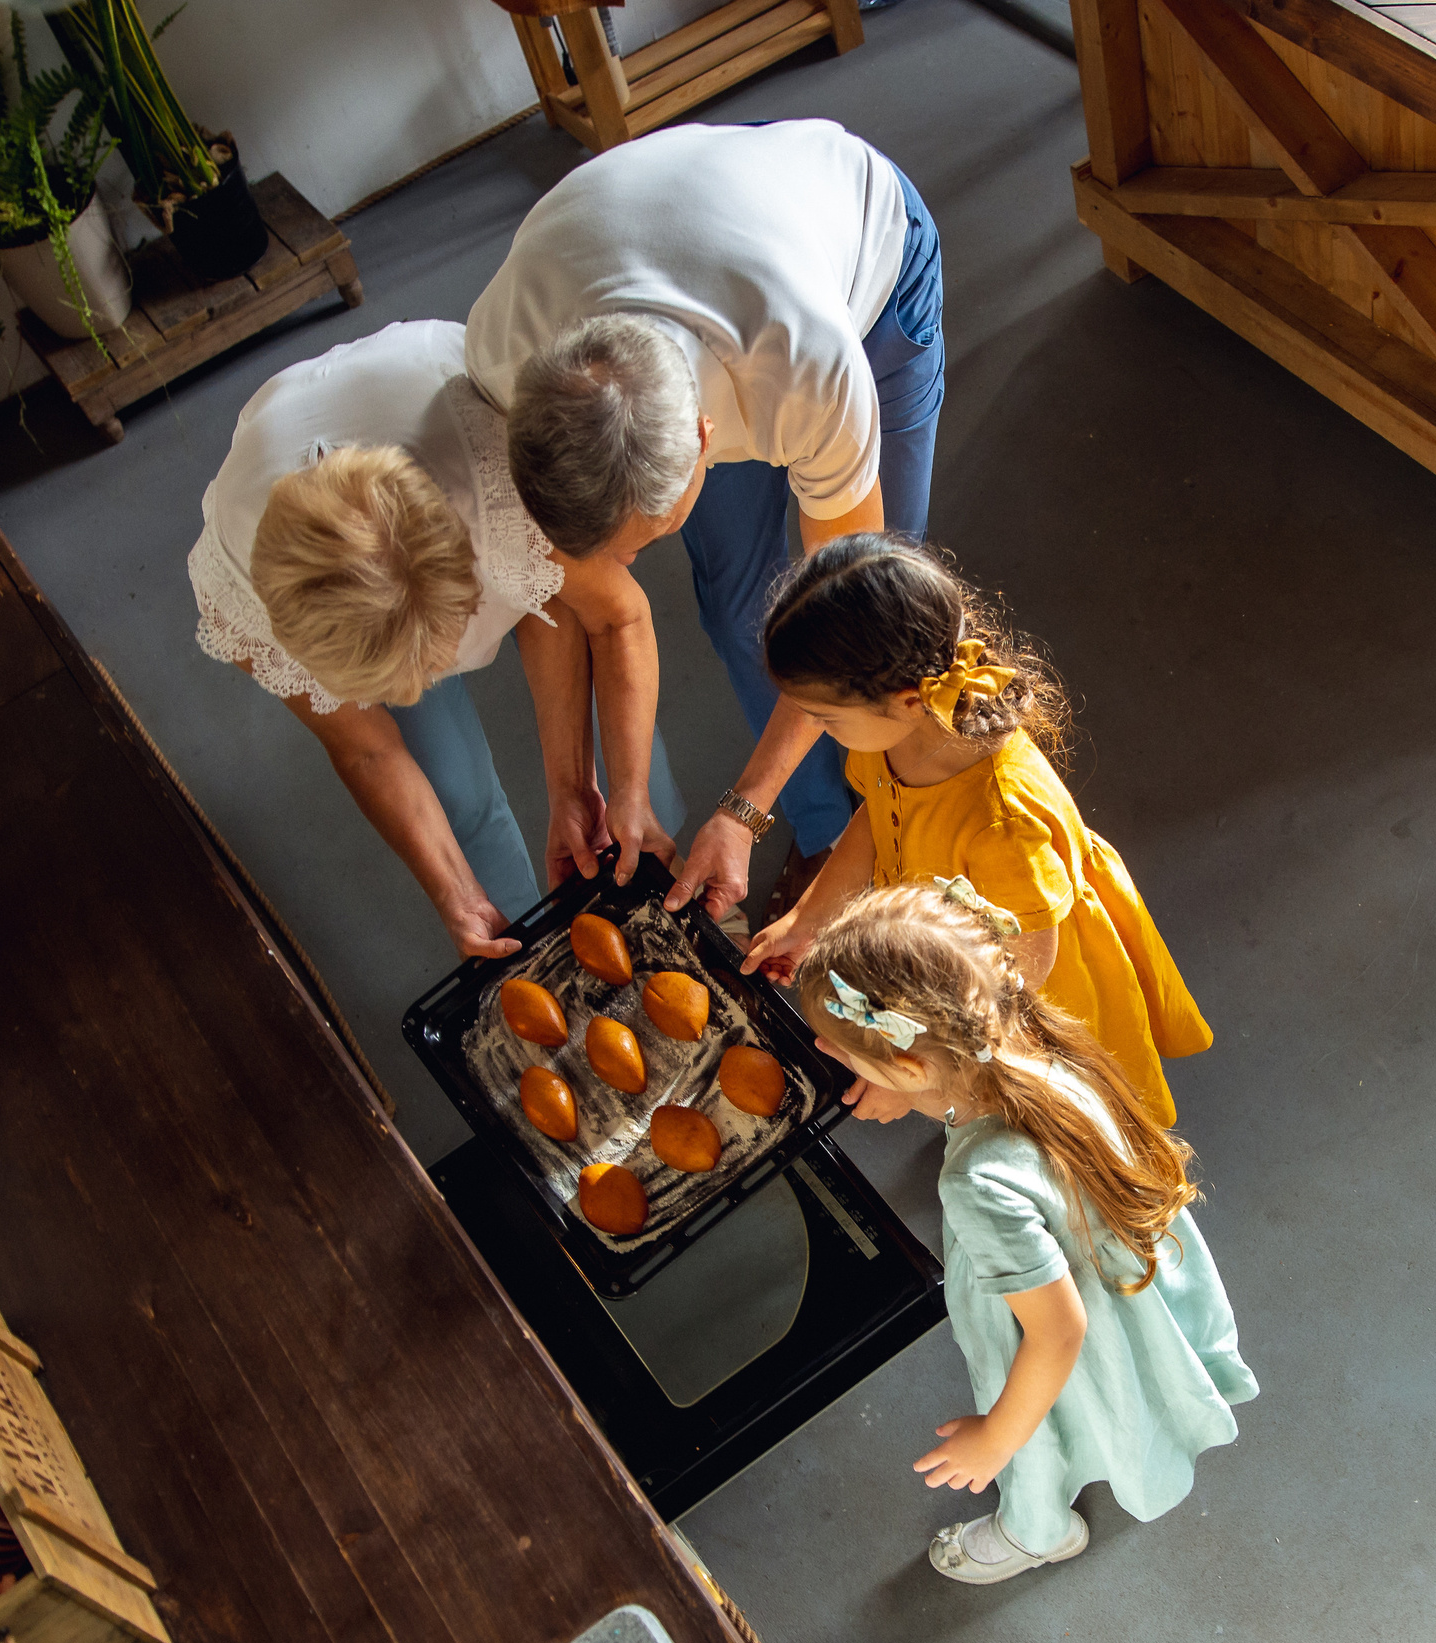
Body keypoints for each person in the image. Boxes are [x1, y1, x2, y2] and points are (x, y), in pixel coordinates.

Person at [463, 119, 946, 925]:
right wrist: (579, 787)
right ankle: (825, 828)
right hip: (667, 228)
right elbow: (565, 596)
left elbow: (847, 621)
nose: (625, 571)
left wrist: (742, 808)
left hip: (864, 251)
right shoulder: (506, 356)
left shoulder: (808, 370)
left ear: (703, 442)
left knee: (880, 632)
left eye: (641, 543)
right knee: (736, 607)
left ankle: (888, 836)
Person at [794, 883, 1256, 1583]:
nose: (830, 1057)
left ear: (913, 1064)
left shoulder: (975, 1183)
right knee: (1116, 1390)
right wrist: (907, 1084)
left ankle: (1036, 1527)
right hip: (1118, 1273)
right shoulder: (1033, 1043)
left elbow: (1057, 1335)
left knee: (1035, 1431)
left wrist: (992, 1439)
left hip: (1057, 1327)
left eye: (848, 1057)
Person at [187, 319, 685, 960]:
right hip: (324, 535)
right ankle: (523, 949)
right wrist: (455, 895)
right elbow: (367, 750)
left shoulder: (505, 468)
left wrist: (575, 784)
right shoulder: (239, 594)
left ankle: (665, 888)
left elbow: (602, 617)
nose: (432, 678)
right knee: (454, 787)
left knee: (625, 764)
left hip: (461, 457)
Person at [742, 533, 1212, 1124]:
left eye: (826, 717)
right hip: (953, 970)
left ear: (907, 700)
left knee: (1045, 1121)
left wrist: (922, 1075)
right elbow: (878, 817)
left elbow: (1015, 982)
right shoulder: (895, 736)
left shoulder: (1003, 823)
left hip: (1014, 1006)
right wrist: (808, 919)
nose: (816, 728)